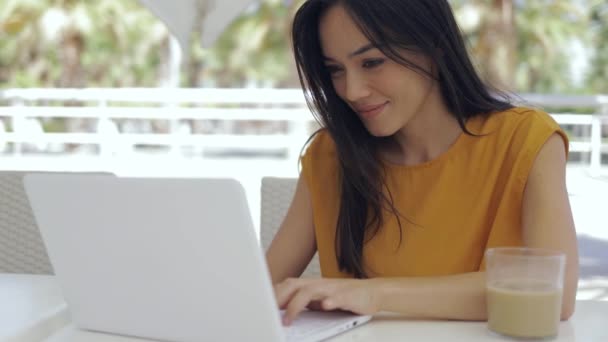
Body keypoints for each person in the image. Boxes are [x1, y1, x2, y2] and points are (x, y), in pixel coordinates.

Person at [266, 0, 579, 325]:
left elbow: (555, 293)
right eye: (335, 70)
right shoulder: (329, 155)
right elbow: (256, 289)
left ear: (435, 47)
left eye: (372, 62)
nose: (352, 91)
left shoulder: (525, 140)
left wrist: (376, 294)